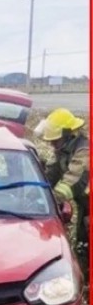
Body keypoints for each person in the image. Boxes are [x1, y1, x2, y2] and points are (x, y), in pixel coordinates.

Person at [36, 108, 89, 270]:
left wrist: (50, 199)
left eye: (55, 141)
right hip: (86, 204)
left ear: (68, 135)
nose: (52, 144)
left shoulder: (85, 151)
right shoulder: (64, 149)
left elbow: (73, 180)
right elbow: (52, 173)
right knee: (83, 241)